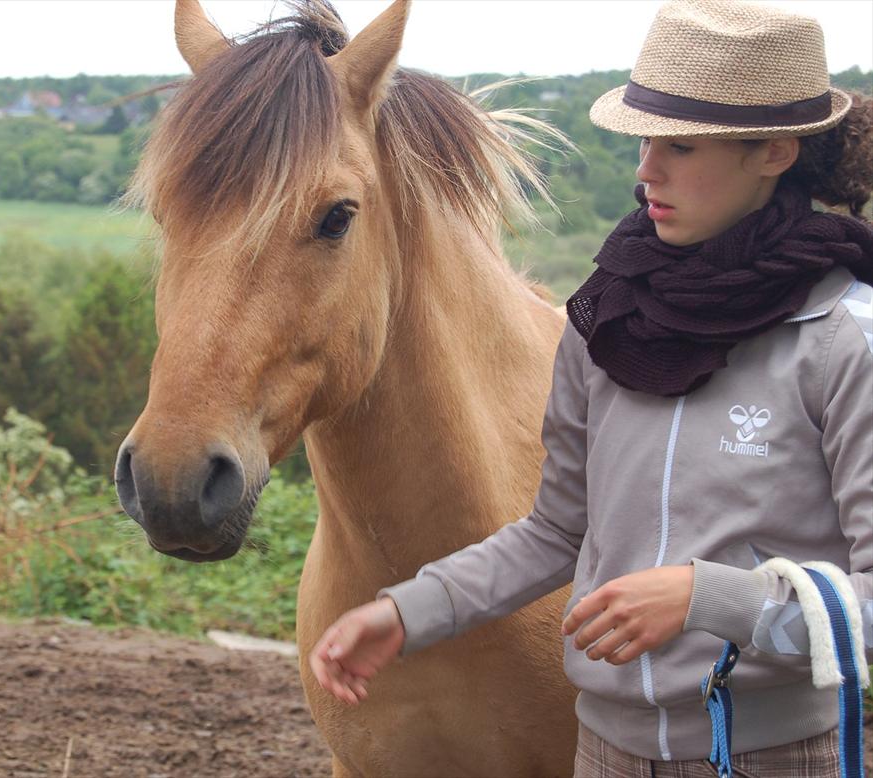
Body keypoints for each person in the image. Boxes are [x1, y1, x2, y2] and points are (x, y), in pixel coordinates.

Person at [307, 1, 873, 775]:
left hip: (773, 756)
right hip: (603, 754)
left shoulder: (845, 338)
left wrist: (709, 598)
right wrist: (410, 611)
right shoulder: (607, 319)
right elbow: (557, 533)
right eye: (644, 140)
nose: (646, 171)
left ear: (773, 153)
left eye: (679, 145)